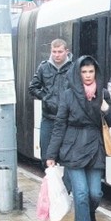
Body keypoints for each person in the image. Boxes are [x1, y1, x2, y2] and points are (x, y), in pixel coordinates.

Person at [46, 55, 111, 221]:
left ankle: (89, 213)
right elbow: (59, 125)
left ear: (96, 73)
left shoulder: (102, 94)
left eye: (91, 71)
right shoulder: (68, 95)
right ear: (78, 74)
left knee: (95, 193)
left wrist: (106, 109)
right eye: (83, 72)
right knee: (81, 193)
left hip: (95, 148)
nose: (87, 75)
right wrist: (51, 155)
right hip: (73, 147)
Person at [28, 39, 73, 168]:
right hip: (48, 118)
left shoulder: (73, 68)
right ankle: (50, 184)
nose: (56, 55)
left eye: (60, 52)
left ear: (66, 52)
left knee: (66, 156)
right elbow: (32, 87)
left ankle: (65, 186)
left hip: (67, 119)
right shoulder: (44, 67)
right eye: (54, 51)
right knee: (46, 157)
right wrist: (46, 97)